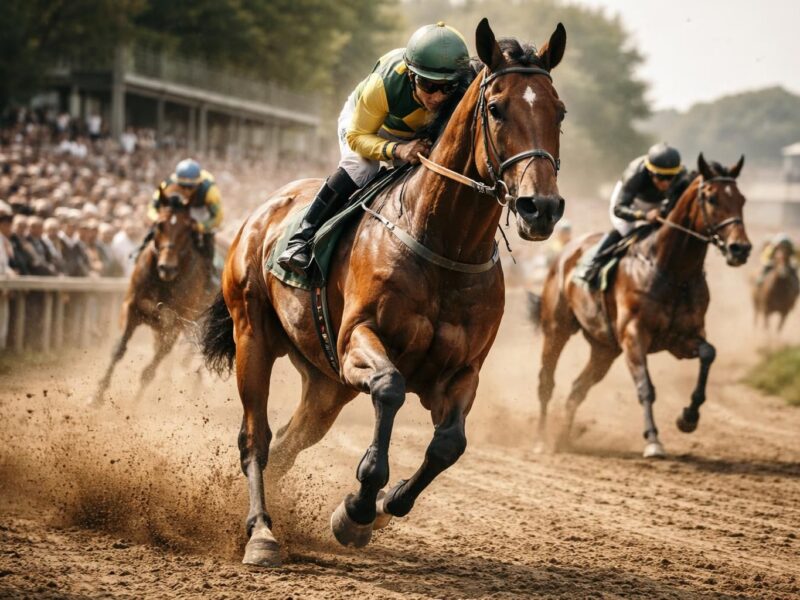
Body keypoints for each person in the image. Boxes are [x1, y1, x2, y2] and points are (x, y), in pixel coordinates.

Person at [278, 21, 472, 276]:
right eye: (429, 86)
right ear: (412, 76)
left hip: (418, 134)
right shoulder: (383, 85)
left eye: (447, 87)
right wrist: (399, 151)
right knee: (361, 167)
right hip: (369, 127)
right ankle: (302, 238)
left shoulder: (466, 82)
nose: (437, 97)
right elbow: (358, 138)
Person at [583, 143, 686, 286]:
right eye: (661, 177)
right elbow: (619, 209)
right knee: (626, 232)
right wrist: (644, 216)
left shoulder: (682, 176)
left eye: (670, 177)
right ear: (650, 172)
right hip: (630, 203)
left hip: (659, 203)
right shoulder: (635, 174)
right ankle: (594, 263)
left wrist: (663, 212)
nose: (666, 183)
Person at [145, 158, 222, 283]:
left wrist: (201, 226)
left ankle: (209, 273)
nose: (186, 191)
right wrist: (157, 219)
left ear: (198, 184)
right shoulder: (166, 186)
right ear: (176, 182)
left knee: (207, 238)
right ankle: (140, 257)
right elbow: (151, 208)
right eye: (183, 186)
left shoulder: (210, 191)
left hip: (200, 212)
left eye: (191, 187)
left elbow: (218, 217)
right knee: (156, 231)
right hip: (177, 213)